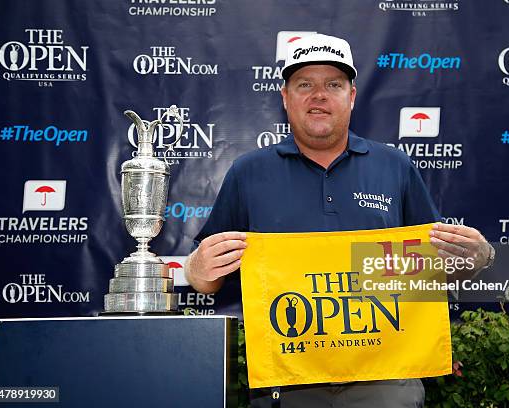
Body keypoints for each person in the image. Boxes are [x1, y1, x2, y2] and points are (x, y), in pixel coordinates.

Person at [185, 33, 493, 408]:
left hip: (384, 379)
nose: (319, 95)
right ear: (285, 97)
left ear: (352, 96)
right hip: (287, 381)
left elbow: (436, 263)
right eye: (304, 84)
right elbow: (209, 277)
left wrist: (474, 257)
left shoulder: (394, 166)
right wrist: (197, 270)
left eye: (333, 84)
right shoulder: (248, 171)